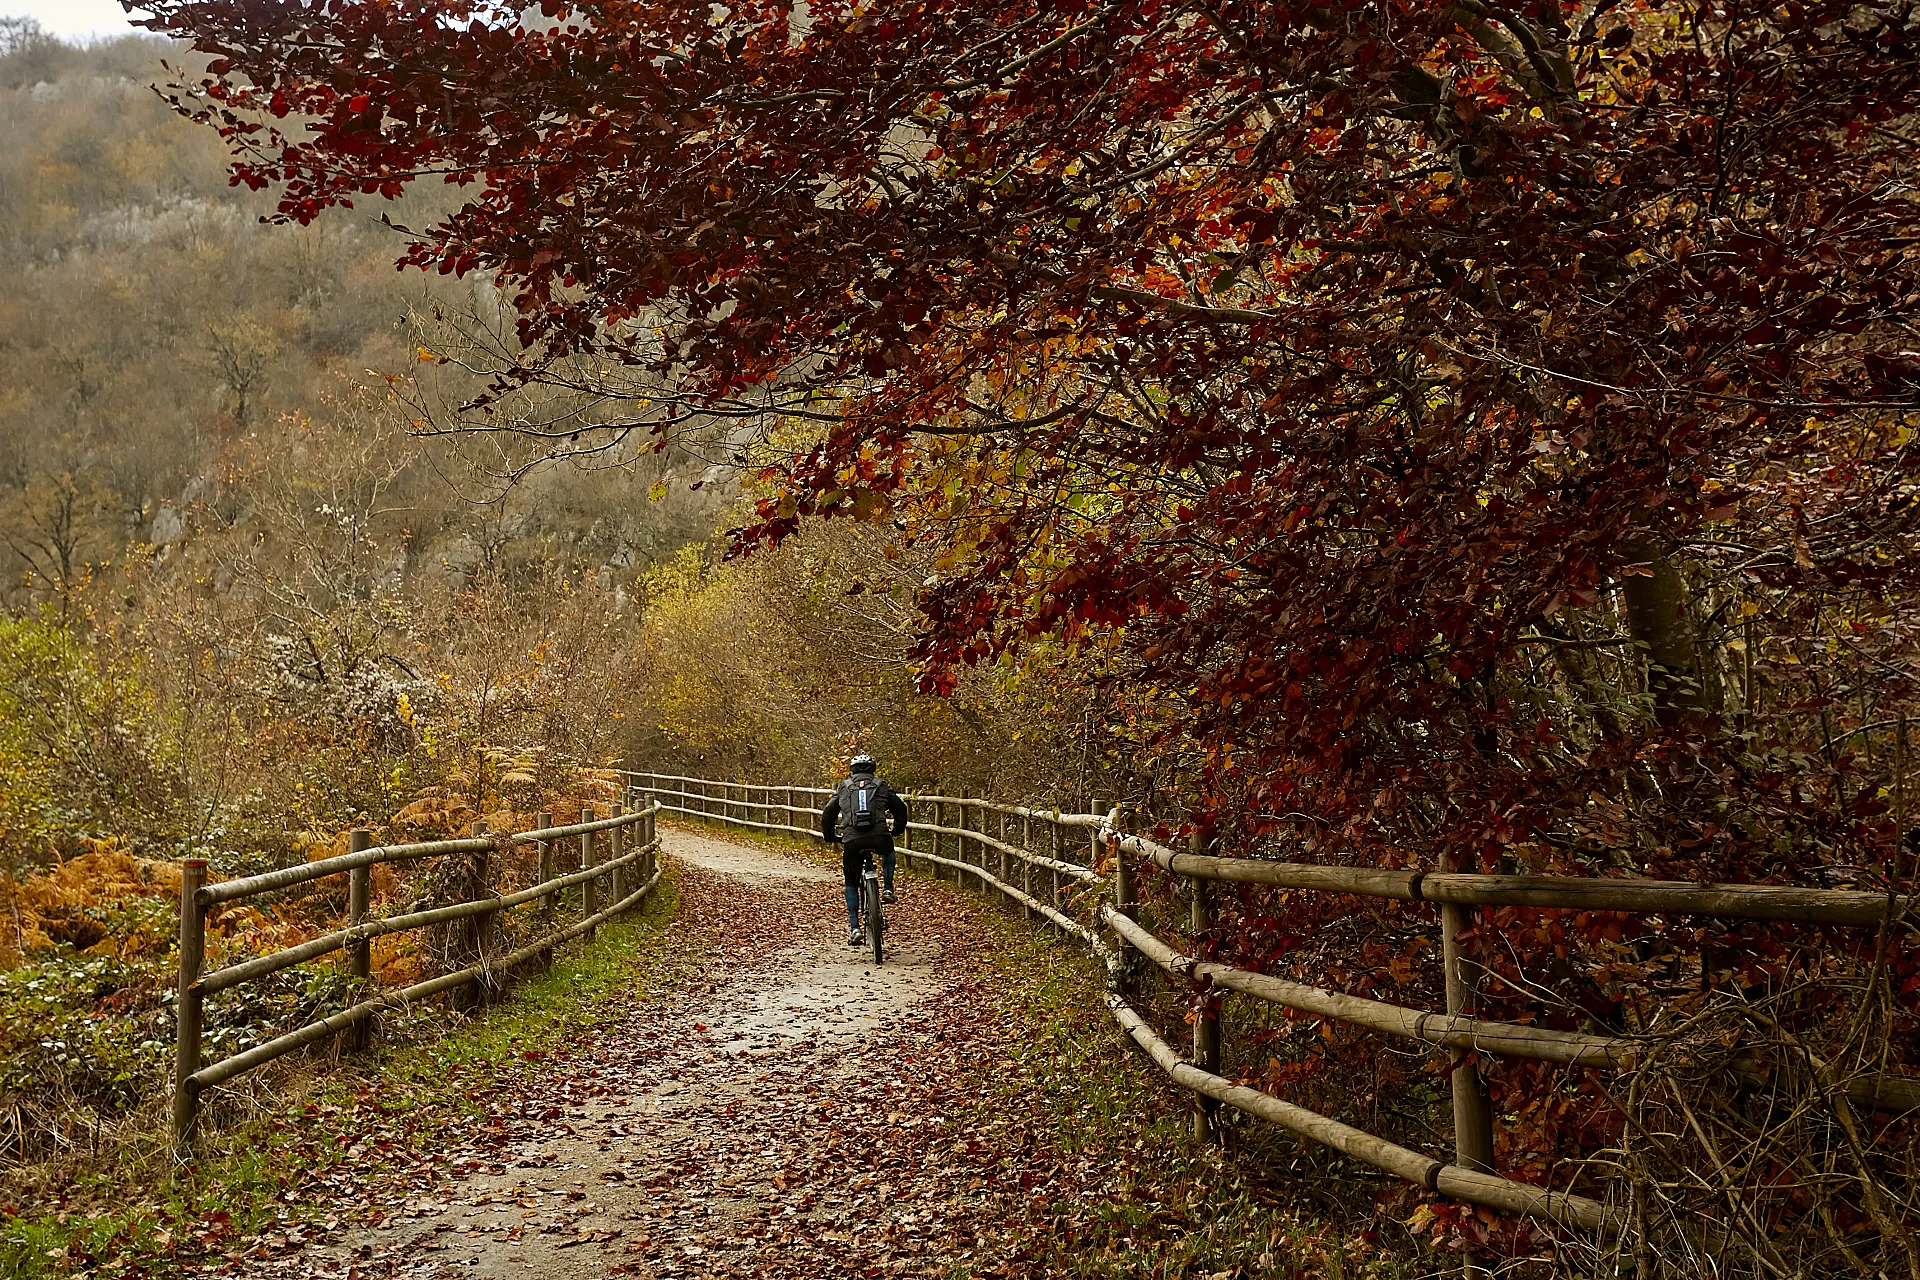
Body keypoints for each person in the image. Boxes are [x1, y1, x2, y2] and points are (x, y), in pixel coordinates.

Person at [820, 752, 908, 947]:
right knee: (888, 851)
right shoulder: (881, 785)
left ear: (852, 770)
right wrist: (897, 830)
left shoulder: (844, 787)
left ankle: (855, 928)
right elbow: (900, 809)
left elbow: (828, 814)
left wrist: (830, 836)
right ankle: (887, 888)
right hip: (879, 835)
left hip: (852, 839)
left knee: (851, 882)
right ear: (872, 770)